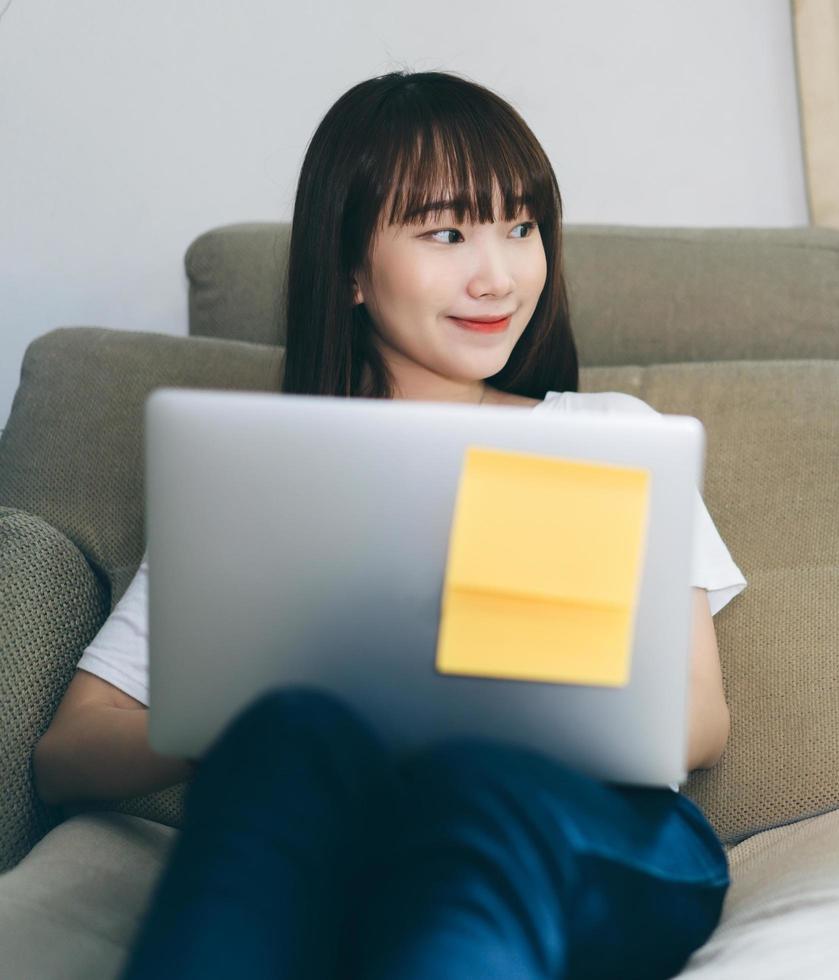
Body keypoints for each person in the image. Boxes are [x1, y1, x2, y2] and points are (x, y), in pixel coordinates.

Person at [31, 71, 746, 980]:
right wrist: (262, 704)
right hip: (343, 821)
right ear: (350, 269)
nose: (499, 274)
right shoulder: (263, 475)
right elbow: (68, 755)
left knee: (468, 787)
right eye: (447, 232)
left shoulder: (606, 436)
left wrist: (489, 705)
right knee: (287, 735)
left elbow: (698, 717)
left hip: (580, 825)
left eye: (520, 227)